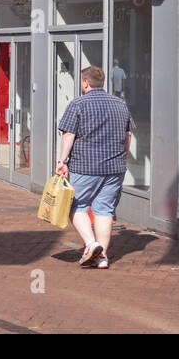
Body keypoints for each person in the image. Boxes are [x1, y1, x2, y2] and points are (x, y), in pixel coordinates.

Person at [55, 66, 134, 270]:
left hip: (85, 166)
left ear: (85, 83)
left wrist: (62, 161)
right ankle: (102, 258)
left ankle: (91, 244)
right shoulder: (120, 104)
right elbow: (128, 135)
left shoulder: (78, 104)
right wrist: (122, 157)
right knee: (105, 210)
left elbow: (68, 135)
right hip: (114, 168)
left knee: (75, 206)